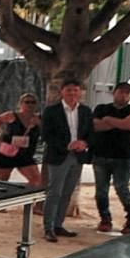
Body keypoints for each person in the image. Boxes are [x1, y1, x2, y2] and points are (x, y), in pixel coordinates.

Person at [40, 78, 93, 243]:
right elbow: (46, 135)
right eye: (69, 90)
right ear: (62, 92)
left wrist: (84, 143)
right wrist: (67, 145)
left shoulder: (85, 111)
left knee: (67, 193)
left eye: (75, 90)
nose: (72, 93)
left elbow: (91, 132)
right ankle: (48, 227)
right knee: (54, 192)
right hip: (58, 156)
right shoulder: (51, 111)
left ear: (81, 92)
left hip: (78, 156)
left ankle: (58, 225)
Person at [90, 82, 130, 234]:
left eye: (127, 93)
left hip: (124, 156)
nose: (124, 95)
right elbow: (95, 126)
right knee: (101, 190)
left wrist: (109, 120)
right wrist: (121, 123)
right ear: (114, 92)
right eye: (121, 92)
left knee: (122, 188)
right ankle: (105, 219)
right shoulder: (101, 108)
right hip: (101, 154)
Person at [0, 93, 42, 186]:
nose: (30, 104)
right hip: (8, 153)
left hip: (25, 155)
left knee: (37, 181)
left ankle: (20, 193)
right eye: (27, 102)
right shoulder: (12, 115)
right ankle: (2, 197)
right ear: (21, 104)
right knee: (3, 180)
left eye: (33, 102)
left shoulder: (39, 119)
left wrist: (38, 124)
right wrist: (2, 130)